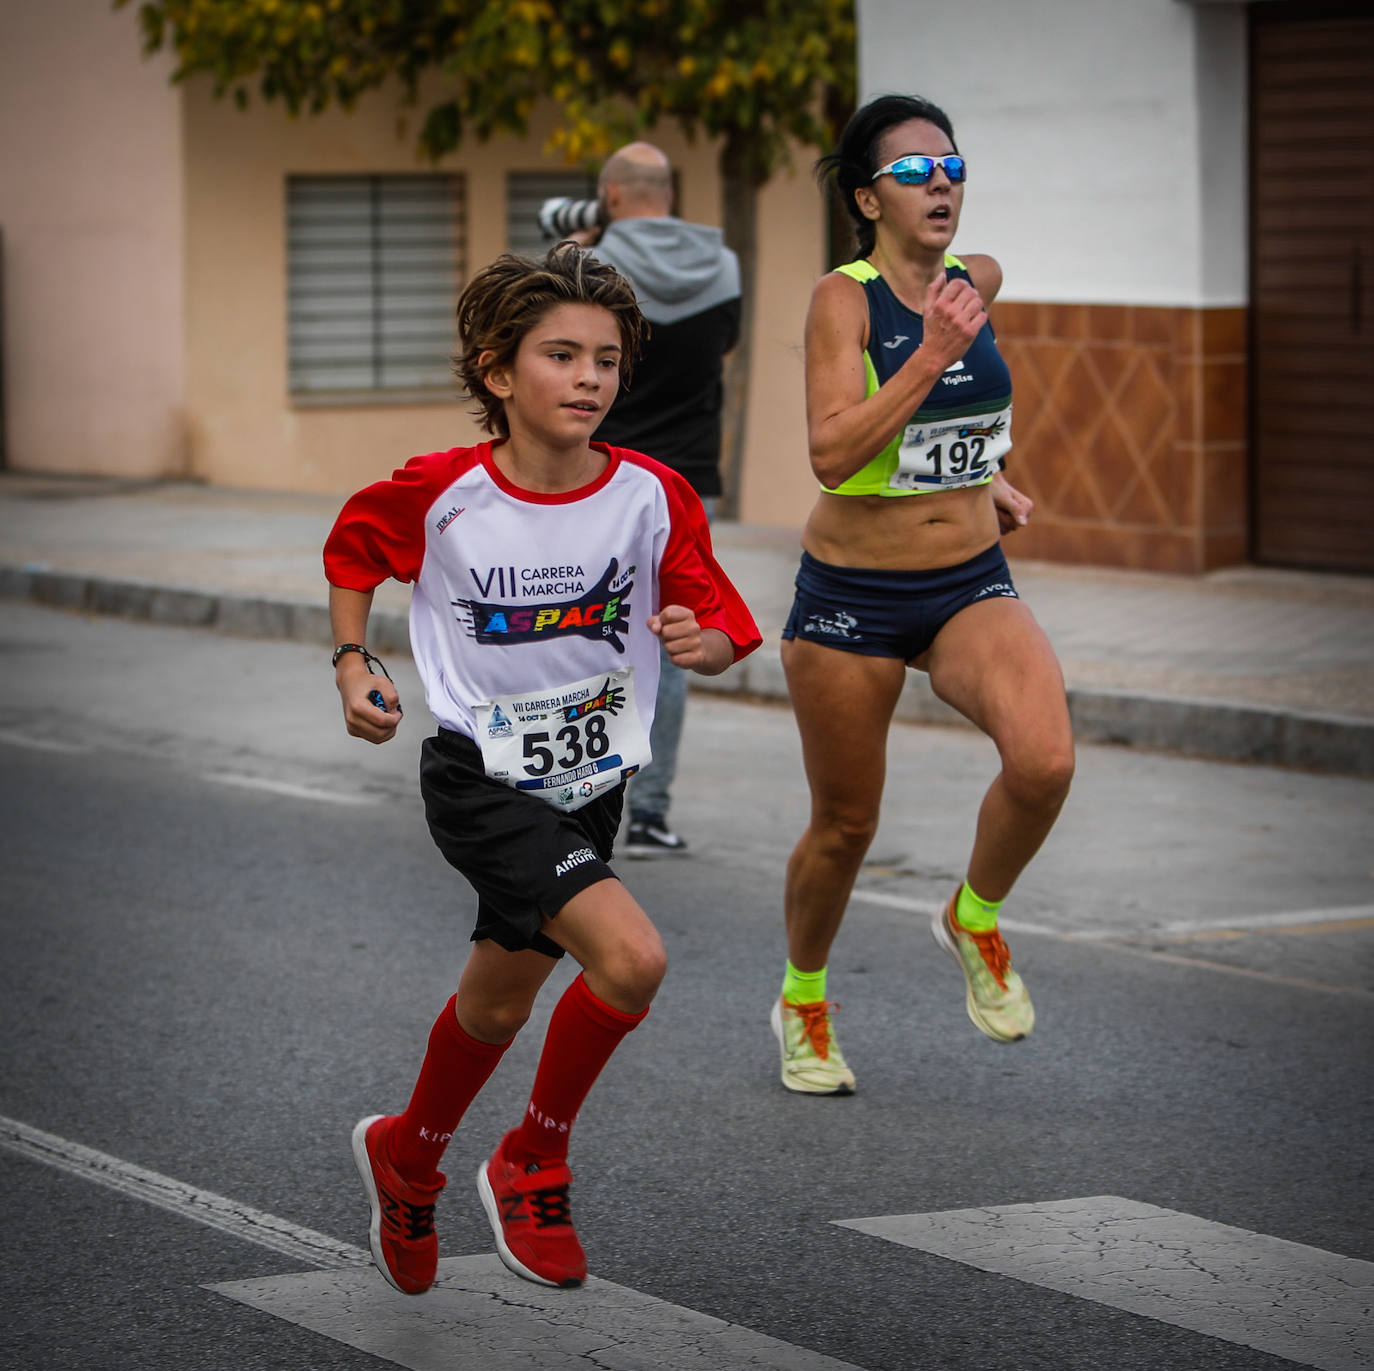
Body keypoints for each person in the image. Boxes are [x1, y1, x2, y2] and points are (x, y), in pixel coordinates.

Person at [324, 242, 760, 1294]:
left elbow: (720, 615)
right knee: (633, 960)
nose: (589, 380)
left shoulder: (652, 495)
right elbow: (353, 549)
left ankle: (408, 1153)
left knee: (500, 1003)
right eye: (561, 356)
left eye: (607, 361)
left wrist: (710, 642)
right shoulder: (445, 494)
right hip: (481, 778)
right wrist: (352, 661)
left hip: (592, 780)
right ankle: (532, 1158)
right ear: (495, 371)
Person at [772, 94, 1075, 1095]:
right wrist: (933, 356)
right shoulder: (842, 300)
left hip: (968, 582)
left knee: (1044, 762)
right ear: (868, 197)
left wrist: (985, 471)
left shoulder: (977, 280)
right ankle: (805, 998)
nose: (940, 182)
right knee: (846, 827)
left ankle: (973, 917)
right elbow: (830, 452)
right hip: (853, 595)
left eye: (950, 165)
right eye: (913, 171)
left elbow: (962, 415)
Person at [562, 141, 742, 858]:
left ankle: (571, 785)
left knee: (578, 626)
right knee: (671, 636)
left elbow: (572, 347)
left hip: (603, 475)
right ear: (669, 193)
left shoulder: (590, 266)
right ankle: (650, 813)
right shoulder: (723, 265)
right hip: (686, 480)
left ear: (611, 196)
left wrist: (569, 253)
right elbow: (721, 346)